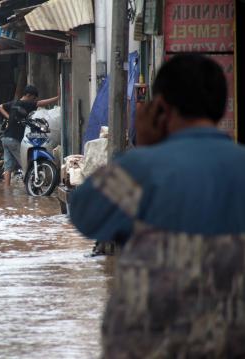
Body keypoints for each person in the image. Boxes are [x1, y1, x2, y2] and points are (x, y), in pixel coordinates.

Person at [69, 54, 245, 357]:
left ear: (160, 107)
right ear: (220, 106)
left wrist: (144, 150)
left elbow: (85, 214)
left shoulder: (142, 170)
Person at [0, 85, 58, 186]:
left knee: (8, 166)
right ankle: (31, 185)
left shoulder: (14, 103)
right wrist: (57, 98)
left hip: (5, 138)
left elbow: (0, 107)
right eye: (33, 98)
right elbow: (41, 103)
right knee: (25, 163)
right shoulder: (26, 104)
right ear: (29, 95)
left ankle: (6, 190)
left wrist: (10, 118)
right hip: (14, 139)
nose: (34, 101)